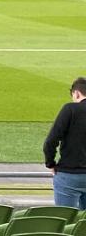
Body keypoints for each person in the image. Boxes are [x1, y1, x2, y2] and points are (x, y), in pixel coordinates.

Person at [44, 76, 86, 210]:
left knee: (65, 220)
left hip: (69, 175)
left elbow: (50, 141)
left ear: (76, 93)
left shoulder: (70, 109)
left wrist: (50, 163)